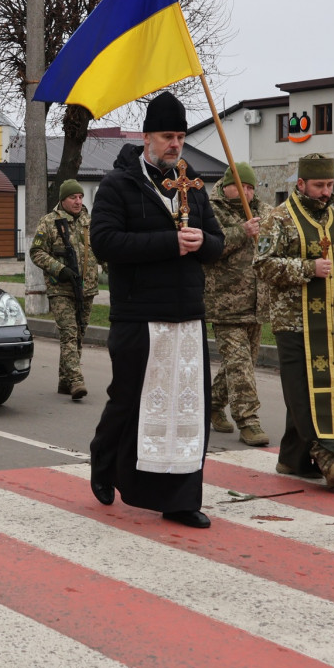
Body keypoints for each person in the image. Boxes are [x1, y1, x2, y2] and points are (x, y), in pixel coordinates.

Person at [88, 91, 225, 529]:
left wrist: (204, 242)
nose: (176, 144)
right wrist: (169, 242)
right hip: (138, 314)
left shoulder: (192, 185)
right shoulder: (119, 185)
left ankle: (180, 499)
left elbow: (217, 244)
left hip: (186, 314)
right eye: (168, 136)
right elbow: (105, 243)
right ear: (146, 137)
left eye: (181, 136)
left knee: (187, 409)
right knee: (130, 399)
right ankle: (104, 459)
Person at [254, 153, 334, 489]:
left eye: (329, 184)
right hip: (292, 321)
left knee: (326, 389)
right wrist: (307, 269)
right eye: (318, 185)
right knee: (302, 390)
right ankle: (330, 454)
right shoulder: (279, 218)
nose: (325, 191)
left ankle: (292, 458)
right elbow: (262, 265)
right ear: (301, 183)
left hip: (330, 319)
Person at [204, 162, 273, 446]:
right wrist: (241, 232)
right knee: (240, 363)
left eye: (250, 187)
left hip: (257, 302)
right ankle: (248, 421)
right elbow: (209, 248)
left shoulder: (263, 211)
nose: (245, 192)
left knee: (240, 364)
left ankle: (212, 403)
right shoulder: (211, 210)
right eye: (240, 186)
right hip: (225, 302)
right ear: (226, 184)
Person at [30, 179, 99, 400]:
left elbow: (101, 250)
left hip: (86, 288)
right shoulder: (50, 222)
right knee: (69, 333)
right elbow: (37, 252)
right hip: (60, 288)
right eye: (73, 197)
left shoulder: (89, 222)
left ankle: (64, 380)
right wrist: (59, 269)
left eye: (80, 197)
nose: (78, 201)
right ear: (63, 199)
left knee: (78, 334)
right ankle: (77, 380)